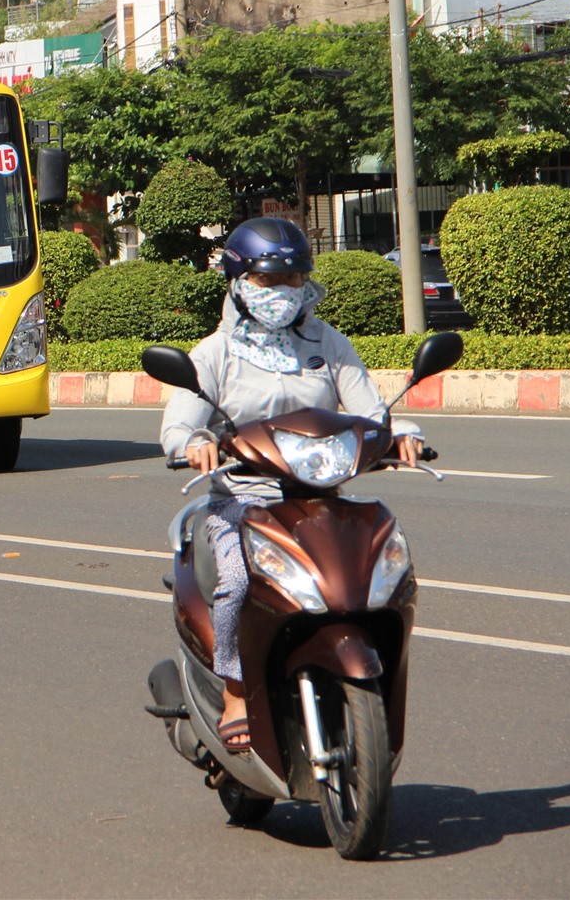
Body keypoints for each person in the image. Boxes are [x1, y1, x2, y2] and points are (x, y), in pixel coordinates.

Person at [159, 218, 423, 755]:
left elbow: (373, 415)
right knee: (236, 580)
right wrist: (193, 444)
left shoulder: (329, 343)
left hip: (321, 495)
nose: (282, 293)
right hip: (244, 498)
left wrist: (404, 437)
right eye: (267, 282)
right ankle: (235, 689)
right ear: (238, 282)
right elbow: (177, 427)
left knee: (380, 569)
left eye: (293, 280)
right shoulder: (215, 353)